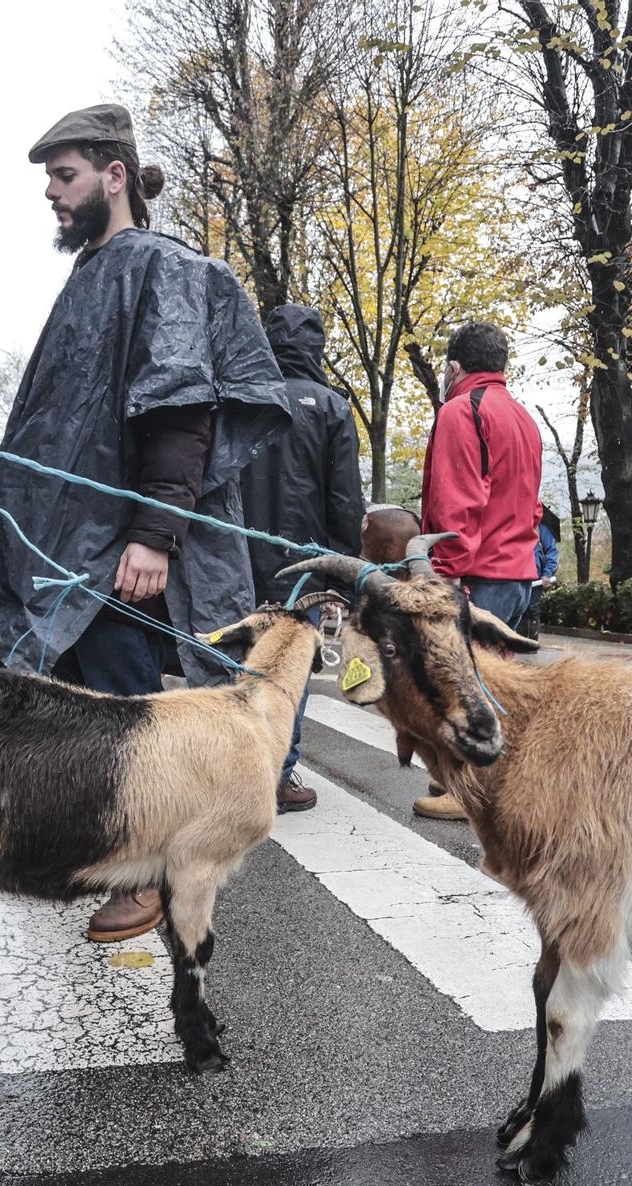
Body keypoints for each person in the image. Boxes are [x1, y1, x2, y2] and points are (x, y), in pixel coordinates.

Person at [0, 103, 289, 944]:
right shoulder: (95, 270)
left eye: (63, 177)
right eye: (49, 182)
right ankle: (112, 852)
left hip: (122, 550)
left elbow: (180, 412)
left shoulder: (157, 267)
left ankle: (151, 872)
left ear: (114, 176)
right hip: (81, 548)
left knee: (132, 716)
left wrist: (153, 534)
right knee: (96, 714)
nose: (52, 196)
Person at [239, 303, 365, 815]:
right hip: (303, 569)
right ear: (317, 349)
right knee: (290, 670)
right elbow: (345, 499)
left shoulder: (244, 398)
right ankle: (278, 775)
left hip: (239, 558)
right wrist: (341, 563)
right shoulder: (333, 408)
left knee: (240, 665)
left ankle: (235, 766)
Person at [419, 322, 544, 629]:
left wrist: (446, 573)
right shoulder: (524, 417)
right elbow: (533, 507)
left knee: (460, 677)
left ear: (453, 368)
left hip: (480, 580)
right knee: (495, 677)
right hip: (519, 580)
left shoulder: (460, 411)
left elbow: (456, 502)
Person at [522, 509, 561, 639]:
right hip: (517, 576)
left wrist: (547, 574)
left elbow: (551, 552)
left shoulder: (542, 530)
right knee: (518, 609)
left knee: (532, 609)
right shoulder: (518, 528)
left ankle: (531, 642)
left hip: (535, 578)